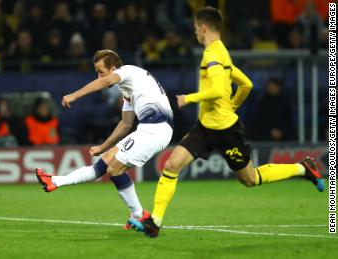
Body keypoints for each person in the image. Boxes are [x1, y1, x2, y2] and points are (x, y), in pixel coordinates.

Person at [130, 6, 324, 238]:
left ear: (203, 28)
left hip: (226, 131)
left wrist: (187, 99)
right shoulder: (222, 53)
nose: (194, 32)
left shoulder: (213, 55)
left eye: (195, 28)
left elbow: (216, 89)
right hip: (205, 127)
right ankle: (155, 222)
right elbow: (246, 84)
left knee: (250, 179)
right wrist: (232, 105)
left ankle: (303, 168)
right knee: (171, 166)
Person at [36, 49, 174, 228]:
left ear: (113, 68)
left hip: (156, 128)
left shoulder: (128, 71)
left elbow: (107, 81)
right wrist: (103, 146)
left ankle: (139, 215)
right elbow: (125, 124)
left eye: (101, 71)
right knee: (104, 164)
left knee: (114, 169)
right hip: (149, 128)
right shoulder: (129, 90)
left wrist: (74, 95)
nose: (99, 76)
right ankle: (55, 181)